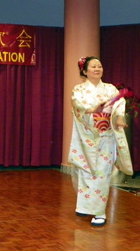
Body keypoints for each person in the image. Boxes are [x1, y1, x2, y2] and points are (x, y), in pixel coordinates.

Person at [68, 56, 132, 227]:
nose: (97, 69)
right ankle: (84, 205)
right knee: (86, 170)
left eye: (100, 66)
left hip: (106, 136)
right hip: (86, 135)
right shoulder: (79, 89)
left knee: (102, 174)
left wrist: (118, 118)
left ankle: (99, 212)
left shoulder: (110, 89)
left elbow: (119, 104)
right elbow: (77, 105)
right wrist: (92, 109)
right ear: (85, 71)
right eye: (93, 66)